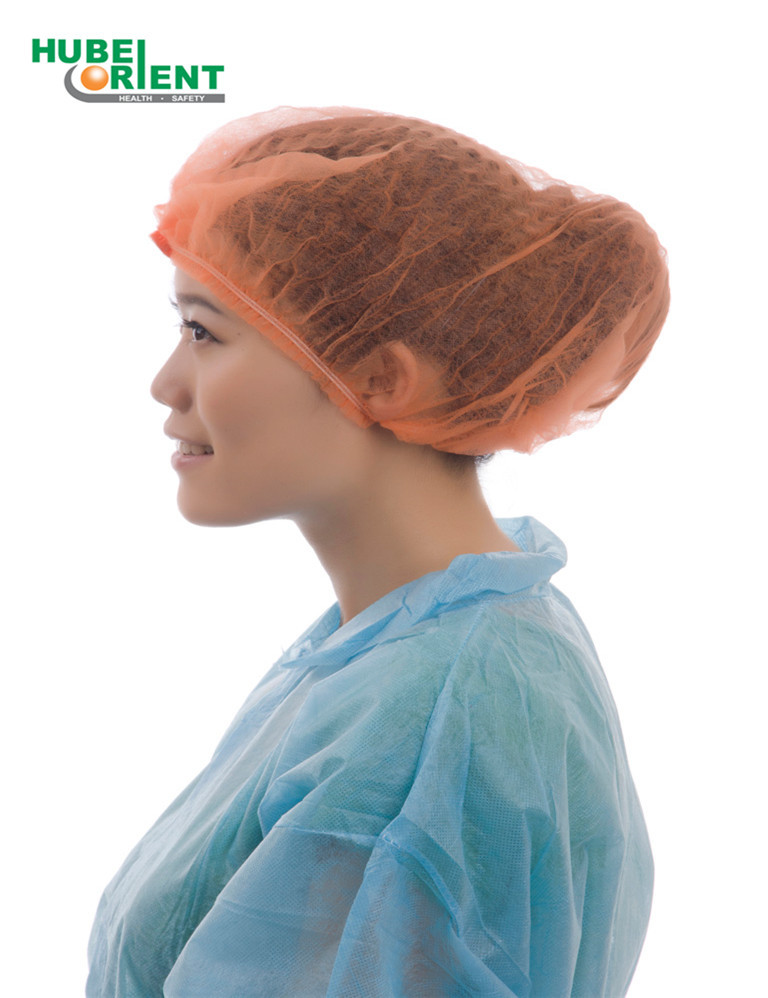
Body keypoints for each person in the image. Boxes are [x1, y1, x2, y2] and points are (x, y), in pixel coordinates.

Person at [86, 107, 669, 998]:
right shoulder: (439, 637)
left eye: (204, 332)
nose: (165, 384)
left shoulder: (430, 716)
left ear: (380, 379)